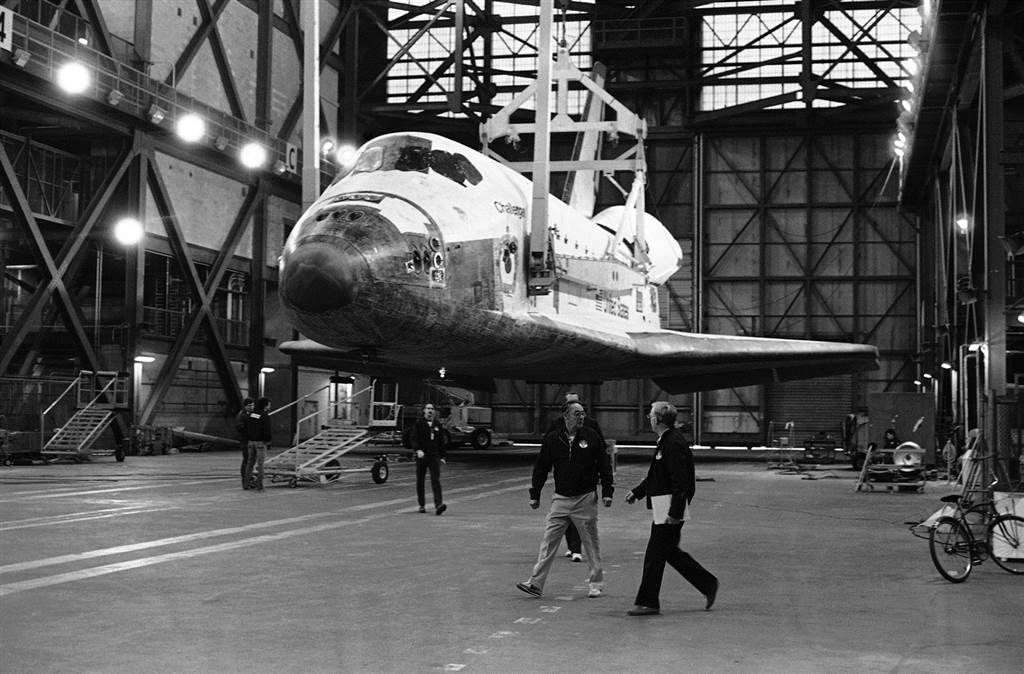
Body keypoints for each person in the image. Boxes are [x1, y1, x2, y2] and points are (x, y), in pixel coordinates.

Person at [624, 401, 718, 616]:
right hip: (663, 506)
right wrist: (638, 492)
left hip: (669, 509)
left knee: (655, 554)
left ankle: (649, 602)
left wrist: (675, 513)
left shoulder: (673, 443)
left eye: (651, 415)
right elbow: (657, 475)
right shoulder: (666, 441)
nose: (649, 418)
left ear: (657, 419)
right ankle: (708, 583)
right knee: (669, 552)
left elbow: (681, 481)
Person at [517, 400, 614, 599]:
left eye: (583, 413)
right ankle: (535, 583)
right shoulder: (553, 439)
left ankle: (596, 583)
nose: (581, 417)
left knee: (591, 543)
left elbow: (604, 465)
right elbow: (541, 467)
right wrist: (535, 494)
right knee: (548, 542)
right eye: (577, 414)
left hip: (585, 498)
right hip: (560, 499)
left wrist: (607, 492)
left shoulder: (591, 436)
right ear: (566, 416)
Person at [545, 392, 606, 563]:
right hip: (565, 480)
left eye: (577, 403)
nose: (579, 414)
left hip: (586, 480)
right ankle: (572, 546)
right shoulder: (557, 425)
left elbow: (601, 448)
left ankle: (577, 548)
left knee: (582, 518)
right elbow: (548, 447)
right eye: (572, 403)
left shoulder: (590, 425)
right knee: (565, 517)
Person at [412, 403, 447, 515]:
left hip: (434, 456)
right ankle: (421, 504)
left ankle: (439, 505)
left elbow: (441, 442)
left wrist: (443, 456)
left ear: (434, 412)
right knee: (420, 480)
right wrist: (418, 450)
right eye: (428, 409)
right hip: (422, 456)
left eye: (432, 409)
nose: (430, 411)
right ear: (424, 411)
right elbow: (414, 438)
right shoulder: (419, 424)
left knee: (435, 480)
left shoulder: (437, 425)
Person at [244, 397, 272, 491]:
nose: (269, 406)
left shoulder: (252, 414)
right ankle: (259, 485)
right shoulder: (265, 415)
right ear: (265, 405)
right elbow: (267, 429)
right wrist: (268, 441)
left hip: (251, 442)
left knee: (250, 463)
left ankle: (246, 484)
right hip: (260, 442)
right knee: (261, 464)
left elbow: (247, 427)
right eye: (269, 405)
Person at [236, 397, 254, 490]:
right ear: (245, 406)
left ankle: (249, 479)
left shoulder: (251, 414)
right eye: (249, 406)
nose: (251, 407)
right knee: (247, 460)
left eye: (252, 405)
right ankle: (245, 480)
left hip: (251, 440)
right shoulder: (242, 415)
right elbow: (240, 428)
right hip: (245, 441)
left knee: (250, 461)